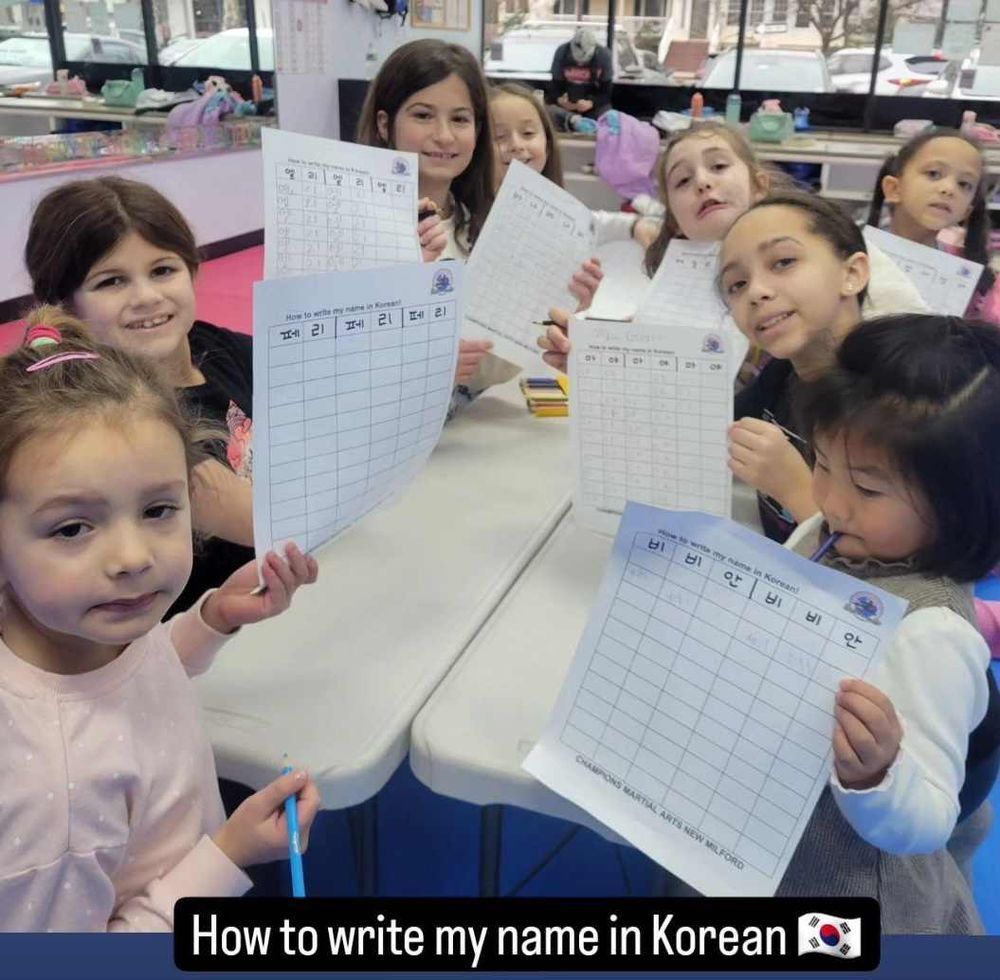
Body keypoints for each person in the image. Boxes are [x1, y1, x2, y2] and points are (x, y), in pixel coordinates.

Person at [0, 308, 320, 932]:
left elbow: (128, 677)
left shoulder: (84, 630)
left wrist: (211, 620)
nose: (133, 558)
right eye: (72, 528)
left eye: (158, 509)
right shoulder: (49, 796)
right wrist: (229, 856)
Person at [777, 314, 1000, 933]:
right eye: (821, 463)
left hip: (851, 890)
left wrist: (875, 772)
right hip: (768, 827)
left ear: (960, 507)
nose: (829, 499)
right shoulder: (830, 534)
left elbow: (929, 819)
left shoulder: (931, 635)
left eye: (868, 489)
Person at [24, 176, 255, 614]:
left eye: (163, 270)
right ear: (66, 306)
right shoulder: (115, 423)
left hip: (268, 603)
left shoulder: (221, 348)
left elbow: (335, 387)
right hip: (189, 642)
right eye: (111, 282)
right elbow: (265, 522)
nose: (147, 297)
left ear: (193, 271)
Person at [538, 124, 925, 374]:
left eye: (719, 166)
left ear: (760, 184)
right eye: (684, 180)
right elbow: (656, 352)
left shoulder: (832, 243)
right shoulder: (683, 275)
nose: (703, 183)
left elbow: (917, 351)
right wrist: (589, 352)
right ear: (674, 215)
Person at [357, 38, 602, 397]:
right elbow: (330, 365)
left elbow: (486, 368)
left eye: (460, 119)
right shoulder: (359, 225)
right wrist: (418, 367)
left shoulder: (481, 224)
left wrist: (557, 307)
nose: (443, 136)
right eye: (423, 115)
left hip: (465, 435)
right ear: (384, 124)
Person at [489, 81, 661, 248]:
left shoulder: (551, 208)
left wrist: (634, 226)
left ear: (547, 145)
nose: (516, 145)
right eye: (499, 136)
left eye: (527, 133)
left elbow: (587, 224)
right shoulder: (467, 212)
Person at [868, 128, 1000, 323]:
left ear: (966, 211)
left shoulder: (973, 281)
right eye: (933, 174)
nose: (948, 189)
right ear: (894, 188)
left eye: (964, 184)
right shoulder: (854, 252)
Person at [548, 28, 613, 125]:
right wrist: (560, 100)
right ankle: (573, 120)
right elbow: (554, 86)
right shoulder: (561, 52)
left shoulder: (604, 56)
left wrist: (591, 103)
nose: (580, 63)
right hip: (566, 106)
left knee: (609, 116)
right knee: (548, 112)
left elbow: (606, 92)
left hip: (593, 106)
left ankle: (578, 122)